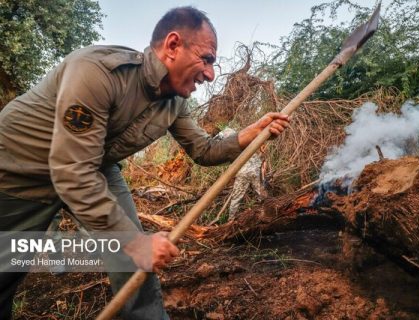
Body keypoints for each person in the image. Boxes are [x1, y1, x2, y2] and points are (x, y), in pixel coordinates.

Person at [0, 6, 289, 320]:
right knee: (9, 266)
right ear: (173, 45)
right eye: (206, 59)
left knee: (134, 255)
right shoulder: (96, 72)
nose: (210, 74)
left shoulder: (175, 102)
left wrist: (248, 135)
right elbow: (71, 171)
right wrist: (133, 242)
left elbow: (204, 150)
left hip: (94, 166)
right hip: (18, 171)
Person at [219, 129, 269, 219]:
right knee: (261, 193)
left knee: (236, 197)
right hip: (255, 169)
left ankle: (231, 220)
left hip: (244, 172)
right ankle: (266, 212)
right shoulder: (242, 140)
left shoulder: (227, 146)